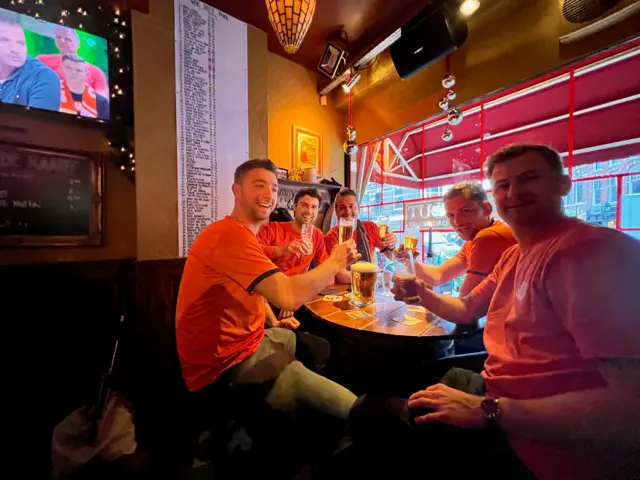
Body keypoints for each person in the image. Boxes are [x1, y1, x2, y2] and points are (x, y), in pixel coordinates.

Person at [350, 144, 640, 480]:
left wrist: (490, 411)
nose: (514, 192)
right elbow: (464, 307)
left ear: (563, 185)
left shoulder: (590, 250)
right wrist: (420, 292)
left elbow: (629, 411)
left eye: (529, 178)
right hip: (495, 393)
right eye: (503, 185)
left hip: (539, 448)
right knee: (378, 401)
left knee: (370, 414)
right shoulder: (515, 255)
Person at [176, 159, 360, 474]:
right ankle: (289, 438)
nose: (268, 194)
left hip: (248, 340)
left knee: (301, 341)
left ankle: (276, 424)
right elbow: (287, 295)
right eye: (258, 185)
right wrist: (334, 261)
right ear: (237, 190)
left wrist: (274, 322)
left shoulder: (245, 236)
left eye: (273, 188)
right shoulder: (228, 236)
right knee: (351, 407)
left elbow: (253, 290)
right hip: (221, 367)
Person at [415, 181, 516, 296]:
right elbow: (438, 275)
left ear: (487, 208)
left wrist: (421, 296)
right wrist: (407, 259)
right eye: (451, 215)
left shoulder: (488, 237)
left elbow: (466, 304)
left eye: (465, 211)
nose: (457, 222)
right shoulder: (473, 240)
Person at [258, 187, 330, 324]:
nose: (309, 211)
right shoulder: (272, 228)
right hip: (268, 297)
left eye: (314, 207)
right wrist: (281, 250)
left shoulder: (317, 235)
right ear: (294, 207)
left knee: (326, 326)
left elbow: (325, 272)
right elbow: (253, 253)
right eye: (304, 205)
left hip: (299, 296)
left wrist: (297, 296)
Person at [325, 188, 397, 283]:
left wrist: (391, 245)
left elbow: (391, 256)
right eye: (342, 207)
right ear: (336, 211)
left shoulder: (370, 227)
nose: (347, 211)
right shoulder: (330, 237)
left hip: (370, 287)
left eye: (351, 206)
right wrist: (375, 278)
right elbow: (342, 277)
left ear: (358, 208)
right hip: (344, 290)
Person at [0, 10, 60, 111]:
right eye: (5, 41)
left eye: (21, 43)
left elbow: (39, 124)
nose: (15, 50)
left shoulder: (44, 77)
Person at [38, 26, 108, 97]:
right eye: (58, 37)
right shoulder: (42, 60)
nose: (62, 41)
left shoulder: (96, 72)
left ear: (78, 44)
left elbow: (101, 101)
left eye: (68, 39)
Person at [59, 54, 109, 119]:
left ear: (86, 73)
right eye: (69, 68)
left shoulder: (101, 102)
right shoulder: (50, 92)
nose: (73, 72)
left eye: (78, 70)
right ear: (62, 68)